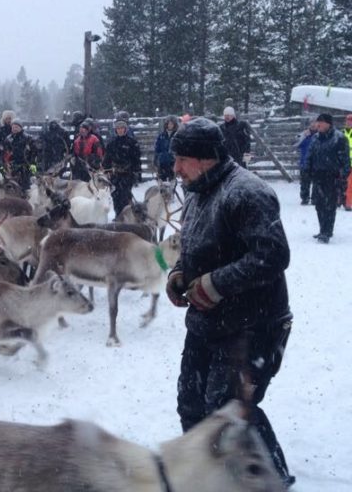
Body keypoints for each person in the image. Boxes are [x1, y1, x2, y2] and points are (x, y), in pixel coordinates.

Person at [165, 117, 295, 488]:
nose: (175, 169)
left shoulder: (248, 193)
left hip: (253, 326)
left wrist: (216, 284)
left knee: (231, 412)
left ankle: (272, 480)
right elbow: (192, 249)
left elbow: (273, 255)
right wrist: (178, 275)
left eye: (182, 160)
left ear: (206, 158)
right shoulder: (196, 192)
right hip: (206, 323)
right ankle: (209, 474)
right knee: (191, 406)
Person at [306, 113, 350, 243]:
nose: (318, 124)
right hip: (318, 176)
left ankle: (327, 231)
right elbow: (310, 156)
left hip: (332, 177)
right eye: (317, 122)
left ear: (328, 124)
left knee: (329, 205)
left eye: (321, 122)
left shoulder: (339, 138)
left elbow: (345, 160)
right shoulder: (315, 138)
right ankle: (322, 229)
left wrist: (342, 176)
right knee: (319, 204)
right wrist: (308, 171)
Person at [103, 119, 141, 217]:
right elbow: (107, 157)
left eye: (122, 128)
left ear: (125, 129)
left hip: (127, 174)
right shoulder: (112, 143)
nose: (120, 130)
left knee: (126, 196)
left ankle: (127, 216)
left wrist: (136, 172)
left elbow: (136, 159)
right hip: (115, 174)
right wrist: (106, 169)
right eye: (118, 128)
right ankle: (118, 215)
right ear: (116, 130)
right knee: (115, 196)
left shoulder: (132, 142)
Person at [4, 119, 36, 191]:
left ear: (21, 128)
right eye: (13, 127)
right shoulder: (8, 139)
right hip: (12, 166)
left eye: (16, 127)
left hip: (25, 165)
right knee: (11, 185)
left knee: (25, 186)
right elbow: (5, 152)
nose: (14, 129)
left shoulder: (28, 138)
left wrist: (32, 163)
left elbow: (34, 152)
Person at [294, 121, 317, 205]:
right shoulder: (304, 134)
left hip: (317, 163)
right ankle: (305, 198)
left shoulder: (320, 136)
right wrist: (304, 136)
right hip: (305, 162)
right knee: (304, 182)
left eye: (315, 124)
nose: (313, 126)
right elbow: (295, 144)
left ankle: (315, 199)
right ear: (309, 126)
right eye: (311, 124)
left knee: (317, 183)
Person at [154, 115, 179, 181]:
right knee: (162, 182)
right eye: (169, 124)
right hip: (162, 162)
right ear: (166, 124)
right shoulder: (161, 136)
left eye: (172, 124)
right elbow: (157, 148)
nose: (170, 125)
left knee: (172, 182)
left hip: (172, 163)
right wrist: (156, 160)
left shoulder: (177, 136)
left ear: (174, 125)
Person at [341, 114, 352, 210]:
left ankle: (348, 204)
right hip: (342, 163)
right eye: (347, 121)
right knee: (340, 184)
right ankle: (339, 201)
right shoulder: (341, 133)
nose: (349, 123)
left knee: (350, 185)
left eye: (350, 121)